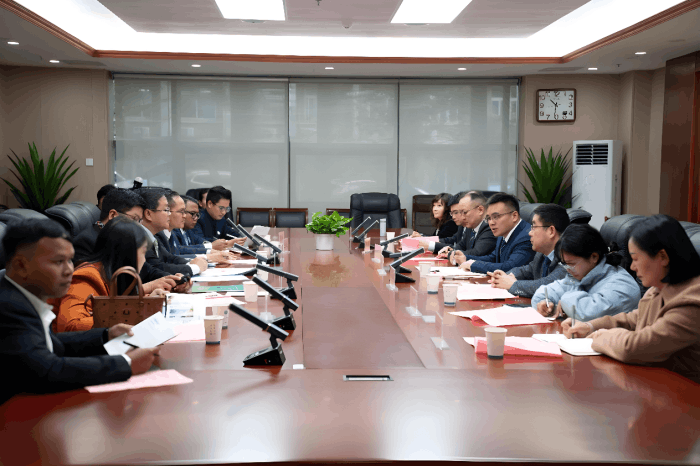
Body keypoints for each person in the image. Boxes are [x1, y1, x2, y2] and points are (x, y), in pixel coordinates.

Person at [0, 218, 159, 405]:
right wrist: (126, 363)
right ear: (21, 266)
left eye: (70, 260)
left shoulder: (24, 298)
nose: (69, 270)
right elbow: (47, 369)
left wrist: (106, 335)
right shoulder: (9, 307)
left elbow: (52, 344)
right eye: (59, 261)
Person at [563, 215, 700, 382]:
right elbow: (632, 320)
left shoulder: (692, 300)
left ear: (663, 257)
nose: (633, 267)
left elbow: (637, 347)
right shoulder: (658, 289)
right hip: (655, 382)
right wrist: (589, 326)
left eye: (636, 259)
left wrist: (600, 336)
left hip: (686, 391)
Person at [55, 217, 167, 332]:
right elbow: (71, 325)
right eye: (143, 252)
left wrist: (149, 302)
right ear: (128, 253)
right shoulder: (86, 278)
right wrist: (130, 314)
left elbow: (117, 304)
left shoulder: (114, 276)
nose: (144, 260)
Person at [72, 188, 179, 293]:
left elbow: (147, 271)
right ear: (113, 215)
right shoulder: (85, 242)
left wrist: (176, 281)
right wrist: (145, 288)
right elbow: (98, 292)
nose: (139, 226)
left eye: (139, 221)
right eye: (134, 219)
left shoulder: (125, 240)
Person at [532, 223, 641, 321]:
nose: (568, 269)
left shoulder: (622, 285)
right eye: (565, 264)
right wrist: (545, 303)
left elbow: (589, 313)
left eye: (571, 264)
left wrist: (564, 301)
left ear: (594, 257)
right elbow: (547, 291)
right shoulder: (581, 275)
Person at [489, 204, 570, 298]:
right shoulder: (541, 255)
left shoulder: (568, 256)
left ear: (551, 231)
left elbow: (546, 285)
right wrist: (505, 276)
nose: (530, 233)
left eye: (534, 227)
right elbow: (526, 270)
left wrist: (512, 284)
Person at [136, 188, 208, 276]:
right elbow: (156, 267)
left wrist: (192, 263)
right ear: (148, 214)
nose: (169, 214)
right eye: (166, 210)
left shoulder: (155, 235)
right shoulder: (139, 238)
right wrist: (195, 267)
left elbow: (169, 258)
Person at [459, 193, 536, 273]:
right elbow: (493, 258)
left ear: (514, 216)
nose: (491, 223)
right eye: (488, 218)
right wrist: (466, 258)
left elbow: (510, 268)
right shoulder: (503, 232)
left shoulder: (527, 237)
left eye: (496, 217)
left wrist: (473, 265)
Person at [163, 192, 232, 261]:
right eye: (181, 212)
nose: (196, 218)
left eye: (197, 214)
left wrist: (220, 245)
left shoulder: (187, 229)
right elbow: (179, 251)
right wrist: (208, 254)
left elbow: (199, 240)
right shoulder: (171, 231)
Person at [440, 191, 497, 263]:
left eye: (465, 212)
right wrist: (452, 251)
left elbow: (476, 253)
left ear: (480, 210)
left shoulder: (489, 226)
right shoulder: (470, 226)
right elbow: (460, 246)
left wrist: (451, 254)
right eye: (461, 213)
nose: (462, 217)